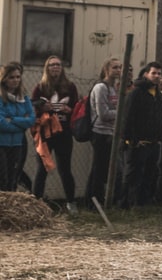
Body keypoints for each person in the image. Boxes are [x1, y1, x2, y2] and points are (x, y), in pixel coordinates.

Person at [30, 56, 79, 208]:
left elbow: (77, 109)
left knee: (65, 170)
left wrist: (69, 110)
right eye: (52, 65)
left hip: (64, 133)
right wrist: (41, 108)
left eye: (58, 64)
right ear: (47, 68)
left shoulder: (70, 87)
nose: (55, 67)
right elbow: (32, 107)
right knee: (42, 169)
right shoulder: (40, 87)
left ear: (62, 68)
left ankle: (71, 204)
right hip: (45, 134)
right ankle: (36, 205)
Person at [119, 62, 162, 208]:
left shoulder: (159, 96)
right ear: (146, 74)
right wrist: (131, 140)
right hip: (138, 143)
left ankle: (143, 203)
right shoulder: (136, 93)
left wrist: (160, 139)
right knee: (133, 175)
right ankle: (126, 204)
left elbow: (161, 118)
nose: (157, 76)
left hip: (154, 143)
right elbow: (127, 118)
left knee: (150, 175)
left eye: (159, 73)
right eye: (154, 73)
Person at [84, 56, 122, 208]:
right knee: (98, 169)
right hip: (100, 133)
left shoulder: (114, 88)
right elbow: (103, 113)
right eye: (115, 67)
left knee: (104, 168)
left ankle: (98, 199)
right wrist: (120, 113)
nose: (118, 70)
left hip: (111, 132)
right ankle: (93, 201)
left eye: (120, 67)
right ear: (106, 69)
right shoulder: (101, 87)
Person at [0, 63, 36, 192]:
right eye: (11, 77)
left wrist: (13, 120)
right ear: (4, 79)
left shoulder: (23, 98)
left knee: (13, 179)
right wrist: (21, 124)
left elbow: (31, 120)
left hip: (17, 144)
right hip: (2, 144)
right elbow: (1, 123)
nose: (15, 80)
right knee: (2, 179)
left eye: (18, 77)